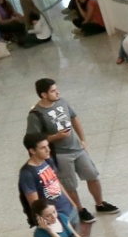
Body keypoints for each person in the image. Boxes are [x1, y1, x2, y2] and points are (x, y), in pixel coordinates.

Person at [25, 79, 115, 222]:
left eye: (57, 89)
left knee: (92, 175)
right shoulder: (36, 115)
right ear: (43, 95)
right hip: (60, 154)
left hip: (77, 148)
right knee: (69, 185)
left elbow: (74, 118)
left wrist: (82, 139)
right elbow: (34, 140)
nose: (57, 92)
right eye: (53, 91)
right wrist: (56, 137)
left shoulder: (62, 101)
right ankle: (79, 210)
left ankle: (100, 203)